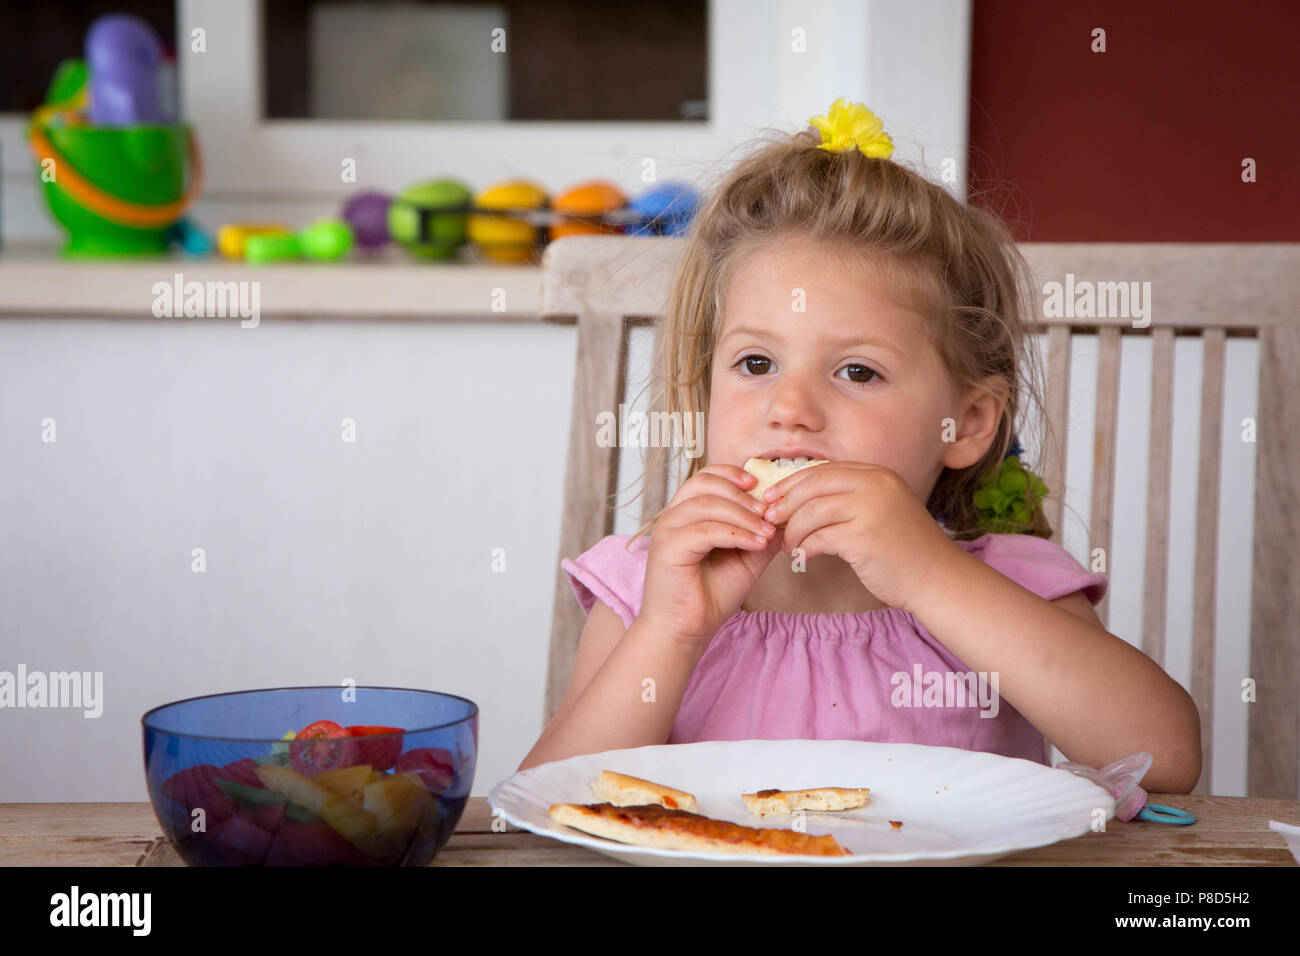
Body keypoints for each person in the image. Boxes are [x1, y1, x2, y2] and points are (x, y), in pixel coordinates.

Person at [518, 100, 1200, 794]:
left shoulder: (1008, 583)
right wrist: (671, 632)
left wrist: (928, 576)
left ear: (965, 423)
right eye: (756, 364)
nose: (790, 410)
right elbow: (549, 804)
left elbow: (1164, 760)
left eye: (857, 372)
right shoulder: (650, 587)